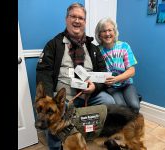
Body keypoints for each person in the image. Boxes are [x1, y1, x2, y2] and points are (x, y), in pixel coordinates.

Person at [36, 3, 115, 150]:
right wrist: (50, 100)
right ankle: (55, 147)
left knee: (109, 101)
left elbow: (103, 72)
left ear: (85, 22)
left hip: (89, 94)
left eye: (81, 18)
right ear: (66, 19)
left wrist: (95, 87)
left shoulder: (93, 48)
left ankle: (105, 137)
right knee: (53, 112)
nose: (77, 21)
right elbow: (43, 72)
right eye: (73, 16)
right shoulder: (54, 45)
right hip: (62, 97)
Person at [95, 17, 140, 113]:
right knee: (121, 107)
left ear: (114, 32)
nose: (107, 34)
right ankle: (124, 127)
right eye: (103, 31)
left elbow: (132, 71)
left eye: (110, 30)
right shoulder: (97, 50)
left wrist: (116, 79)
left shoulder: (124, 46)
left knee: (135, 106)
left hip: (126, 84)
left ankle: (133, 126)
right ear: (99, 34)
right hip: (110, 87)